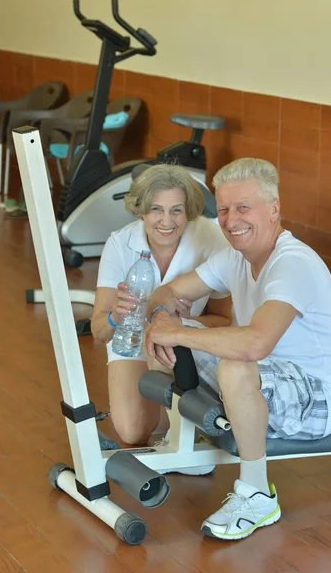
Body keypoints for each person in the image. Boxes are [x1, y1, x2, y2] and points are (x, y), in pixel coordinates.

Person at [145, 157, 331, 541]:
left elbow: (256, 342)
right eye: (223, 209)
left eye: (244, 207)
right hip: (266, 376)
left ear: (274, 209)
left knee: (234, 363)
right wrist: (160, 319)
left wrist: (178, 332)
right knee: (163, 337)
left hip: (317, 396)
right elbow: (170, 291)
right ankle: (189, 448)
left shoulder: (293, 264)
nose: (230, 219)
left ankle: (257, 493)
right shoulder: (235, 256)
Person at [91, 164, 232, 467]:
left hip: (183, 342)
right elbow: (100, 330)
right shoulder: (120, 244)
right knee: (132, 429)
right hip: (130, 341)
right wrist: (116, 315)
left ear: (189, 211)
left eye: (176, 210)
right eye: (156, 209)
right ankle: (181, 421)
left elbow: (225, 321)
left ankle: (186, 432)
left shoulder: (211, 239)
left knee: (164, 339)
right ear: (141, 211)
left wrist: (182, 324)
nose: (166, 221)